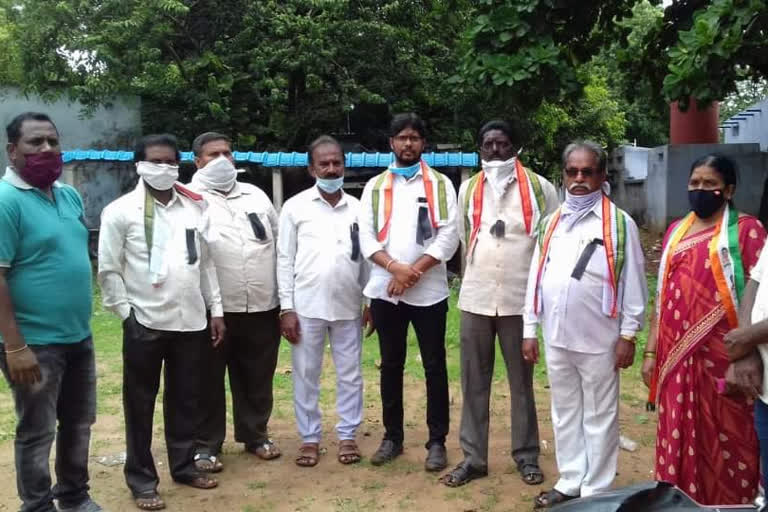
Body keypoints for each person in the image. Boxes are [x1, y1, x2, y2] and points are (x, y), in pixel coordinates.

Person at [98, 134, 225, 510]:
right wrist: (126, 314)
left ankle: (184, 466)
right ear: (139, 164)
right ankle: (141, 480)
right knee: (140, 404)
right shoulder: (120, 211)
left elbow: (205, 263)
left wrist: (214, 309)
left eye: (171, 162)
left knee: (186, 399)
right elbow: (108, 269)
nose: (165, 168)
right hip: (145, 322)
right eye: (156, 161)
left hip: (190, 321)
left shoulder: (194, 207)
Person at [523, 141, 647, 508]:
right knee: (564, 413)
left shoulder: (619, 224)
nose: (579, 179)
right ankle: (571, 480)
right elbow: (536, 276)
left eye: (587, 172)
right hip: (557, 336)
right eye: (572, 172)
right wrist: (530, 329)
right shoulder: (551, 222)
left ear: (601, 176)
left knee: (600, 415)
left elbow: (635, 284)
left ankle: (596, 490)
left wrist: (628, 334)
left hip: (600, 339)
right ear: (563, 175)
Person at [439, 121, 558, 487]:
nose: (494, 151)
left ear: (515, 148)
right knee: (474, 381)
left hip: (520, 300)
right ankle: (474, 459)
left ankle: (526, 456)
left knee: (521, 382)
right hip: (476, 297)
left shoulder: (541, 189)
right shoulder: (469, 188)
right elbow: (462, 236)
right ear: (479, 149)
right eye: (488, 144)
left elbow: (550, 239)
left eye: (502, 144)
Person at [642, 154, 766, 505]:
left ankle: (731, 504)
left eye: (709, 185)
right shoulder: (675, 231)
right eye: (694, 183)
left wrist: (745, 356)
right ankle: (678, 501)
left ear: (728, 190)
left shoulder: (747, 230)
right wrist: (651, 352)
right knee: (679, 434)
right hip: (675, 360)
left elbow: (758, 301)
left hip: (727, 359)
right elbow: (663, 298)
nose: (699, 190)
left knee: (730, 438)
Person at [0, 112, 101, 512]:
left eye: (52, 142)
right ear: (13, 151)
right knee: (37, 431)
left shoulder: (68, 195)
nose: (46, 149)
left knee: (79, 424)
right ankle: (38, 505)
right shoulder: (6, 202)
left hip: (78, 334)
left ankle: (74, 497)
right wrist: (14, 345)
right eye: (35, 142)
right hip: (34, 342)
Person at [358, 113, 459, 471]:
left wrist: (413, 272)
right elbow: (366, 237)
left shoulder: (440, 185)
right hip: (387, 290)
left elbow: (449, 235)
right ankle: (392, 438)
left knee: (434, 365)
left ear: (423, 143)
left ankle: (437, 441)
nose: (408, 144)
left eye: (414, 138)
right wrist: (394, 269)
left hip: (428, 291)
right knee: (391, 364)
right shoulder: (375, 186)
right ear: (391, 142)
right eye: (401, 138)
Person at [277, 135, 372, 467]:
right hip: (306, 307)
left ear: (344, 166)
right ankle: (309, 438)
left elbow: (367, 260)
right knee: (306, 373)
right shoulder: (295, 207)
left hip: (349, 305)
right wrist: (286, 308)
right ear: (311, 168)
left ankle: (347, 435)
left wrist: (370, 300)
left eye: (337, 163)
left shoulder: (360, 209)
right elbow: (284, 260)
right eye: (324, 164)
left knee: (350, 374)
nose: (332, 169)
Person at [189, 132, 282, 472]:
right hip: (211, 310)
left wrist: (283, 302)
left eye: (227, 153)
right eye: (213, 155)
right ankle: (206, 444)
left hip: (261, 304)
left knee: (257, 375)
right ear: (197, 161)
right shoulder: (188, 199)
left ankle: (255, 434)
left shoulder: (256, 195)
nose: (223, 160)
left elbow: (279, 245)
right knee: (207, 378)